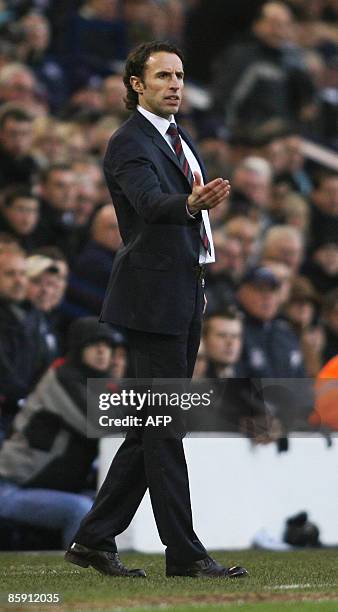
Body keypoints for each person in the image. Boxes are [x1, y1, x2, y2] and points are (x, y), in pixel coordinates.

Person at [65, 41, 248, 579]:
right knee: (164, 426)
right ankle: (185, 554)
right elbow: (149, 204)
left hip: (181, 295)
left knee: (151, 427)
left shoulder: (172, 135)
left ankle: (94, 539)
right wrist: (190, 203)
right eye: (163, 75)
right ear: (136, 84)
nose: (175, 84)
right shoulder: (129, 142)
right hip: (152, 305)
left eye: (181, 76)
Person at [0, 317, 120, 549]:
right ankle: (79, 580)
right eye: (94, 344)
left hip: (46, 488)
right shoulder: (62, 377)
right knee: (81, 510)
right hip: (10, 487)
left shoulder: (99, 384)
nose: (102, 351)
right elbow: (101, 425)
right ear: (77, 348)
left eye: (108, 345)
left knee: (111, 505)